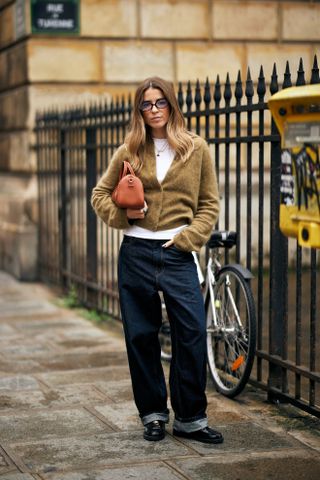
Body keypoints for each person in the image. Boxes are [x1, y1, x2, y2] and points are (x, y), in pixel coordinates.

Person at [91, 76, 222, 444]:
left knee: (192, 332)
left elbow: (209, 203)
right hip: (135, 254)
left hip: (177, 254)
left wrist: (189, 239)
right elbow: (100, 194)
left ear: (172, 105)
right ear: (139, 110)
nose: (153, 110)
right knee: (141, 335)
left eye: (159, 102)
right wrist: (124, 217)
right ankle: (152, 414)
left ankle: (191, 418)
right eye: (146, 104)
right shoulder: (129, 149)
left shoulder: (196, 148)